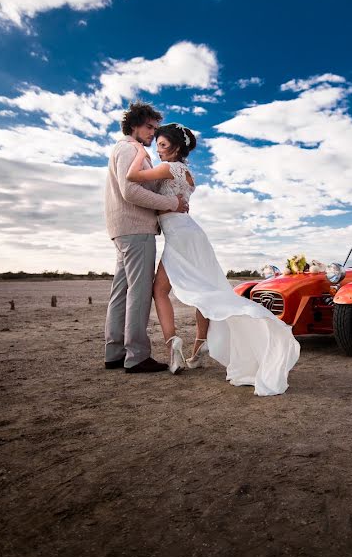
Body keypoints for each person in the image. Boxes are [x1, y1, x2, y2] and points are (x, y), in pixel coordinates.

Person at [126, 122, 299, 395]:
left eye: (162, 145)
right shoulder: (186, 172)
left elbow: (133, 176)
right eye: (155, 145)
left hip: (182, 236)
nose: (157, 150)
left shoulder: (171, 168)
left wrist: (138, 149)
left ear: (177, 147)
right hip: (190, 233)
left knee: (160, 290)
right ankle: (199, 345)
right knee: (206, 290)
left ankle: (173, 344)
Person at [105, 102, 189, 373]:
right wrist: (170, 203)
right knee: (139, 293)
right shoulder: (131, 148)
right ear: (134, 126)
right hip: (137, 228)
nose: (153, 133)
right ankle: (137, 356)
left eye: (155, 128)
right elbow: (131, 191)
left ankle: (115, 352)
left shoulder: (122, 148)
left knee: (121, 292)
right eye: (149, 127)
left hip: (121, 229)